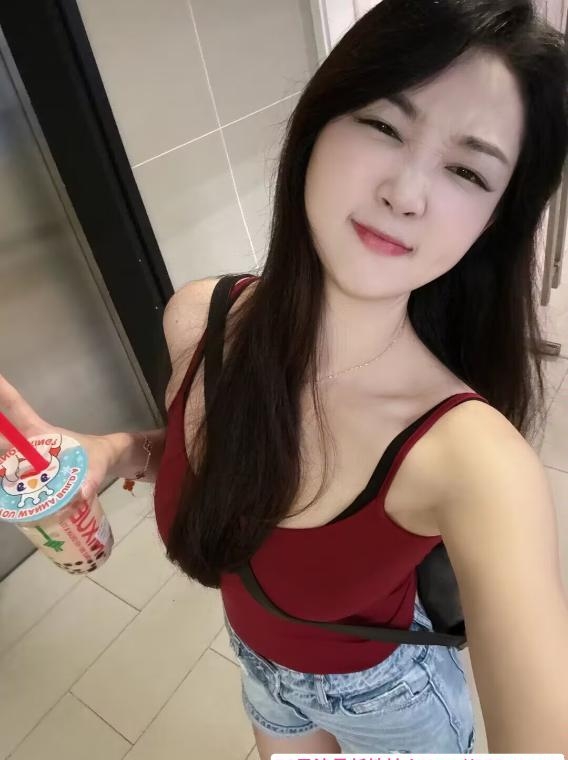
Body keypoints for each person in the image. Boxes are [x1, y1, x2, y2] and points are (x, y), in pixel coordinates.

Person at [2, 0, 568, 753]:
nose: (406, 194)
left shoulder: (477, 461)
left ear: (493, 220)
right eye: (383, 124)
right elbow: (225, 461)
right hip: (263, 675)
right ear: (319, 122)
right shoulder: (198, 319)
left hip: (391, 700)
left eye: (467, 170)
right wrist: (113, 452)